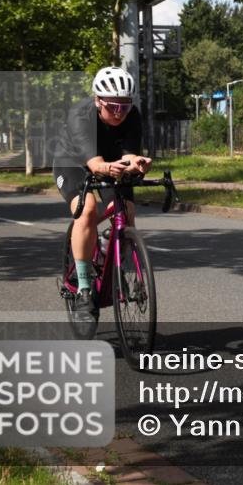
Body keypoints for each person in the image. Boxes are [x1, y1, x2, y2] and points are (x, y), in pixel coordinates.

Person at [53, 67, 151, 322]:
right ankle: (84, 288)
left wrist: (137, 162)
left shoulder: (133, 115)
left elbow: (129, 155)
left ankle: (109, 250)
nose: (119, 112)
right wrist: (109, 167)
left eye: (124, 106)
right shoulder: (81, 115)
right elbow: (95, 165)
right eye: (112, 106)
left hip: (110, 162)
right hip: (72, 163)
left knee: (127, 213)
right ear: (98, 101)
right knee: (86, 210)